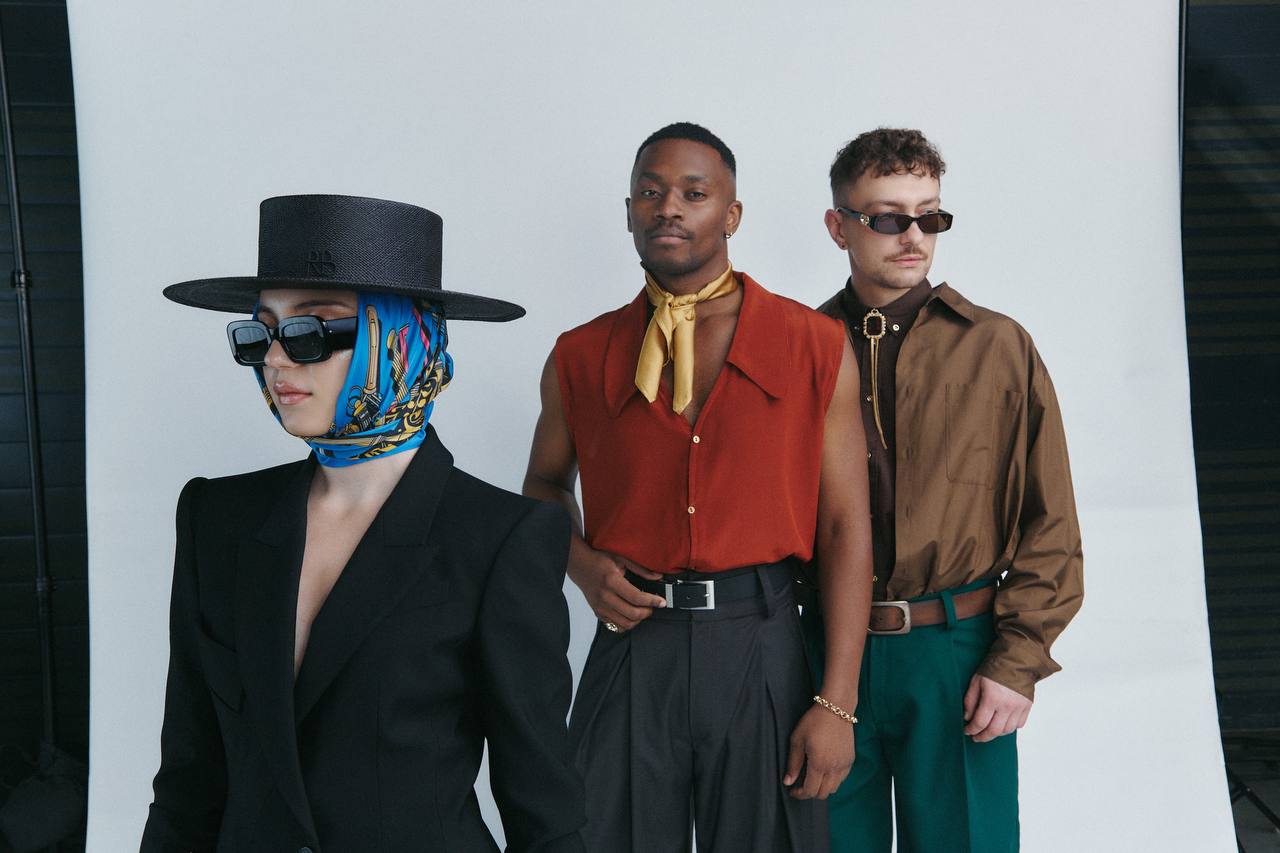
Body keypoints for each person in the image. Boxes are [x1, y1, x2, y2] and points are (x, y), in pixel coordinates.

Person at [141, 194, 586, 853]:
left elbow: (542, 808)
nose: (276, 359)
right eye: (259, 333)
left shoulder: (499, 538)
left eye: (311, 330)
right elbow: (189, 780)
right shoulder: (216, 518)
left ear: (399, 337)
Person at [523, 123, 874, 852]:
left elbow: (844, 526)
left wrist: (837, 703)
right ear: (628, 212)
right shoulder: (580, 354)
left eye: (693, 193)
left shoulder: (813, 344)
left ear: (731, 214)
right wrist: (582, 566)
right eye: (650, 192)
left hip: (763, 643)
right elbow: (544, 484)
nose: (668, 208)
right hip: (631, 644)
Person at [806, 128, 1084, 852]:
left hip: (956, 652)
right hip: (824, 654)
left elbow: (1051, 521)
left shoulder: (998, 346)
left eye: (929, 216)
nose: (913, 237)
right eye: (887, 217)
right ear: (838, 226)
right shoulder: (797, 347)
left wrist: (1017, 662)